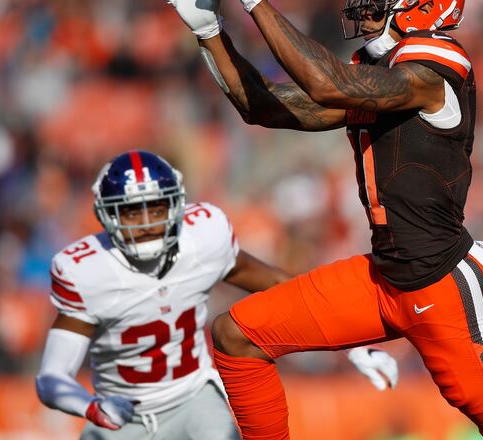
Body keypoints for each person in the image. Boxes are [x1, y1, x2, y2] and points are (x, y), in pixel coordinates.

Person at [169, 0, 483, 439]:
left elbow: (328, 85)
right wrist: (210, 33)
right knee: (238, 335)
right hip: (383, 278)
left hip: (440, 288)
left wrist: (255, 5)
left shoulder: (436, 66)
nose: (362, 8)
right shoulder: (384, 72)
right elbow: (264, 108)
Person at [34, 150, 400, 439]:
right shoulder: (85, 270)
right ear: (107, 215)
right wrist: (91, 407)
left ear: (176, 206)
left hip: (194, 399)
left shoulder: (202, 237)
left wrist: (352, 343)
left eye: (156, 209)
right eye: (131, 213)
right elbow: (51, 377)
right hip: (121, 410)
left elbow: (279, 286)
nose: (146, 224)